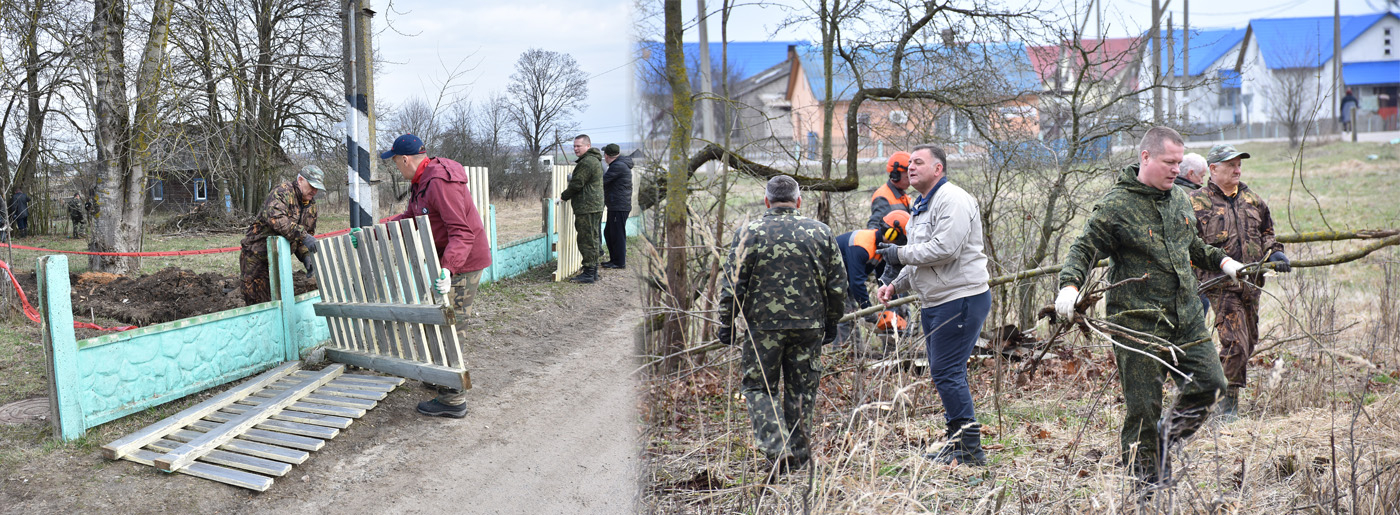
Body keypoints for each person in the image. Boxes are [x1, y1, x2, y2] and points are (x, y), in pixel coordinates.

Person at [1053, 126, 1247, 488]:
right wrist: (1069, 286)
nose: (1176, 169)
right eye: (1169, 162)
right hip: (1139, 322)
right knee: (1143, 410)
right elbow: (1083, 248)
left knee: (1213, 385)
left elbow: (1191, 245)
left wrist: (1222, 262)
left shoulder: (1178, 199)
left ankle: (1162, 441)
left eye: (1179, 162)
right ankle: (1148, 488)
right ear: (1145, 157)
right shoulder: (1116, 206)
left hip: (1186, 316)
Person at [716, 175, 846, 475]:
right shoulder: (820, 232)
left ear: (767, 201)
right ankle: (798, 461)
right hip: (808, 325)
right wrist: (831, 321)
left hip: (763, 328)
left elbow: (733, 284)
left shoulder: (749, 232)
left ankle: (777, 449)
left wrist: (727, 322)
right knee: (802, 390)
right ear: (798, 201)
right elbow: (838, 285)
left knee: (759, 387)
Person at [876, 144, 992, 466]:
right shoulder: (921, 205)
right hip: (936, 300)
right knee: (946, 373)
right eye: (909, 162)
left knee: (946, 372)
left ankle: (969, 451)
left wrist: (897, 254)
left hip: (960, 298)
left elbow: (944, 249)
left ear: (938, 169)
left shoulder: (952, 199)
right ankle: (957, 443)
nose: (910, 167)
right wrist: (894, 286)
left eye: (918, 162)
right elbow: (919, 258)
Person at [380, 133, 492, 419]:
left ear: (405, 159)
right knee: (438, 318)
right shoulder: (422, 182)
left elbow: (462, 231)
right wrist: (380, 229)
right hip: (448, 261)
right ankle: (439, 377)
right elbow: (412, 219)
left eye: (395, 162)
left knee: (450, 326)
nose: (396, 168)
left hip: (463, 262)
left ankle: (453, 399)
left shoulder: (440, 182)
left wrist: (448, 267)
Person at [1189, 144, 1289, 420]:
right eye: (1230, 164)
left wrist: (1275, 251)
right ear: (1213, 169)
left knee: (1249, 342)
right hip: (1219, 285)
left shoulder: (1253, 199)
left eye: (1239, 164)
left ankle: (1207, 392)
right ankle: (1225, 410)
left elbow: (1267, 232)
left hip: (1252, 286)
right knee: (1235, 345)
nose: (1237, 169)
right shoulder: (1195, 203)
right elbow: (1188, 243)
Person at [239, 166, 322, 305]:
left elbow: (303, 237)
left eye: (317, 187)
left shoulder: (311, 207)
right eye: (312, 186)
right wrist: (304, 236)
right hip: (257, 256)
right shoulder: (282, 192)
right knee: (257, 301)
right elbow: (275, 219)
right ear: (300, 180)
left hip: (279, 258)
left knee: (279, 301)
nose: (314, 191)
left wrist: (306, 256)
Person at [833, 210, 910, 346]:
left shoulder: (881, 248)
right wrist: (868, 311)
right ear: (891, 234)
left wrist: (896, 302)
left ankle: (855, 352)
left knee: (852, 313)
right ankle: (840, 352)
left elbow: (884, 279)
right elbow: (857, 283)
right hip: (832, 278)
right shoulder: (861, 245)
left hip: (845, 279)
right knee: (844, 315)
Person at [560, 134, 605, 283]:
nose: (575, 149)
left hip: (588, 206)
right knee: (592, 238)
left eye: (579, 146)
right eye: (574, 146)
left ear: (588, 146)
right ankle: (593, 272)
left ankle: (589, 272)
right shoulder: (594, 160)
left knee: (586, 239)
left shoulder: (587, 162)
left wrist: (564, 196)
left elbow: (577, 183)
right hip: (593, 205)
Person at [600, 143, 632, 269]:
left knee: (617, 234)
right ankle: (614, 260)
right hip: (617, 205)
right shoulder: (619, 164)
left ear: (607, 155)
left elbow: (603, 181)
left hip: (619, 206)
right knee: (609, 232)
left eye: (604, 155)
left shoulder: (617, 166)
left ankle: (619, 262)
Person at [866, 151, 912, 231]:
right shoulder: (882, 197)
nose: (911, 180)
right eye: (907, 176)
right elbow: (873, 227)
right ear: (896, 175)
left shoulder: (902, 195)